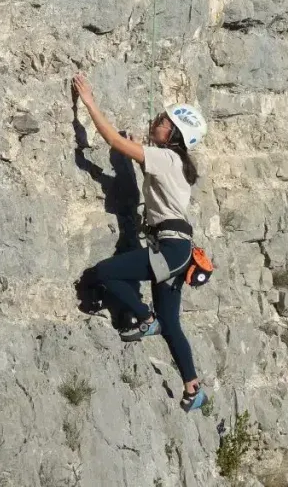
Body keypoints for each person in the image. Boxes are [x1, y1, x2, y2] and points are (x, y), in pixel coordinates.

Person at [72, 73, 208, 412]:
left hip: (172, 249)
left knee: (106, 273)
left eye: (162, 121)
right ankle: (193, 387)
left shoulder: (165, 158)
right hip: (178, 250)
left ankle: (144, 318)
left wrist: (89, 103)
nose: (156, 121)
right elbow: (137, 161)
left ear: (173, 134)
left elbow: (115, 144)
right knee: (171, 322)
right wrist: (137, 149)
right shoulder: (171, 161)